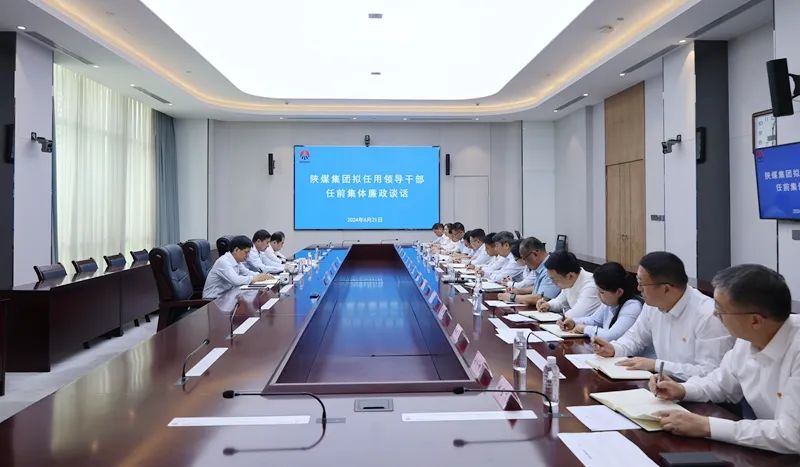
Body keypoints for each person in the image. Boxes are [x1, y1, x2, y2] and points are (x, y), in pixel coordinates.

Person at [649, 264, 800, 454]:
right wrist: (682, 390)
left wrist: (707, 426)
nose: (714, 315)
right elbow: (720, 384)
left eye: (720, 310)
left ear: (755, 320)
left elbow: (791, 435)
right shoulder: (747, 339)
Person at [593, 251, 734, 379]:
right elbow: (635, 338)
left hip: (698, 394)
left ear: (666, 288)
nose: (638, 288)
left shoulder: (708, 315)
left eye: (642, 284)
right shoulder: (652, 306)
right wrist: (614, 349)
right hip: (664, 386)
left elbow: (710, 373)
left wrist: (657, 365)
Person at [557, 262, 645, 342]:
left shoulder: (632, 307)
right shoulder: (610, 302)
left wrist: (584, 329)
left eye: (602, 292)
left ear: (619, 292)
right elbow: (594, 320)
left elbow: (611, 336)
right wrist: (573, 322)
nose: (598, 295)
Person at [535, 251, 601, 319]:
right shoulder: (569, 281)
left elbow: (577, 314)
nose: (553, 282)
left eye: (555, 279)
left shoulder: (591, 286)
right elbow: (560, 301)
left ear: (570, 276)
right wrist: (548, 305)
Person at [203, 235, 272, 299]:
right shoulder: (223, 262)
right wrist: (255, 278)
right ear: (236, 250)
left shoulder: (237, 261)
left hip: (226, 296)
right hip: (212, 300)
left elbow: (247, 272)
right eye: (246, 252)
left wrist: (263, 276)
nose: (248, 255)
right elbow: (236, 280)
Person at [497, 237, 560, 304]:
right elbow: (541, 288)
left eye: (525, 258)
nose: (525, 262)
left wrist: (511, 297)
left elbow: (542, 298)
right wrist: (519, 291)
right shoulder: (541, 267)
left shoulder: (550, 267)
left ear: (535, 254)